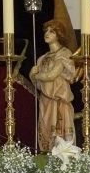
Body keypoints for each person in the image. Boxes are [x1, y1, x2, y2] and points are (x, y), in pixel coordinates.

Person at [29, 19, 76, 151]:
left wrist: (34, 74)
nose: (47, 34)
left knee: (60, 133)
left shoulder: (64, 54)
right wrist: (34, 77)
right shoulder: (42, 58)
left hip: (60, 100)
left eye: (52, 31)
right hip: (46, 100)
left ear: (59, 34)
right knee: (45, 130)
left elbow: (51, 75)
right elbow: (37, 83)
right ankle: (46, 157)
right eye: (46, 31)